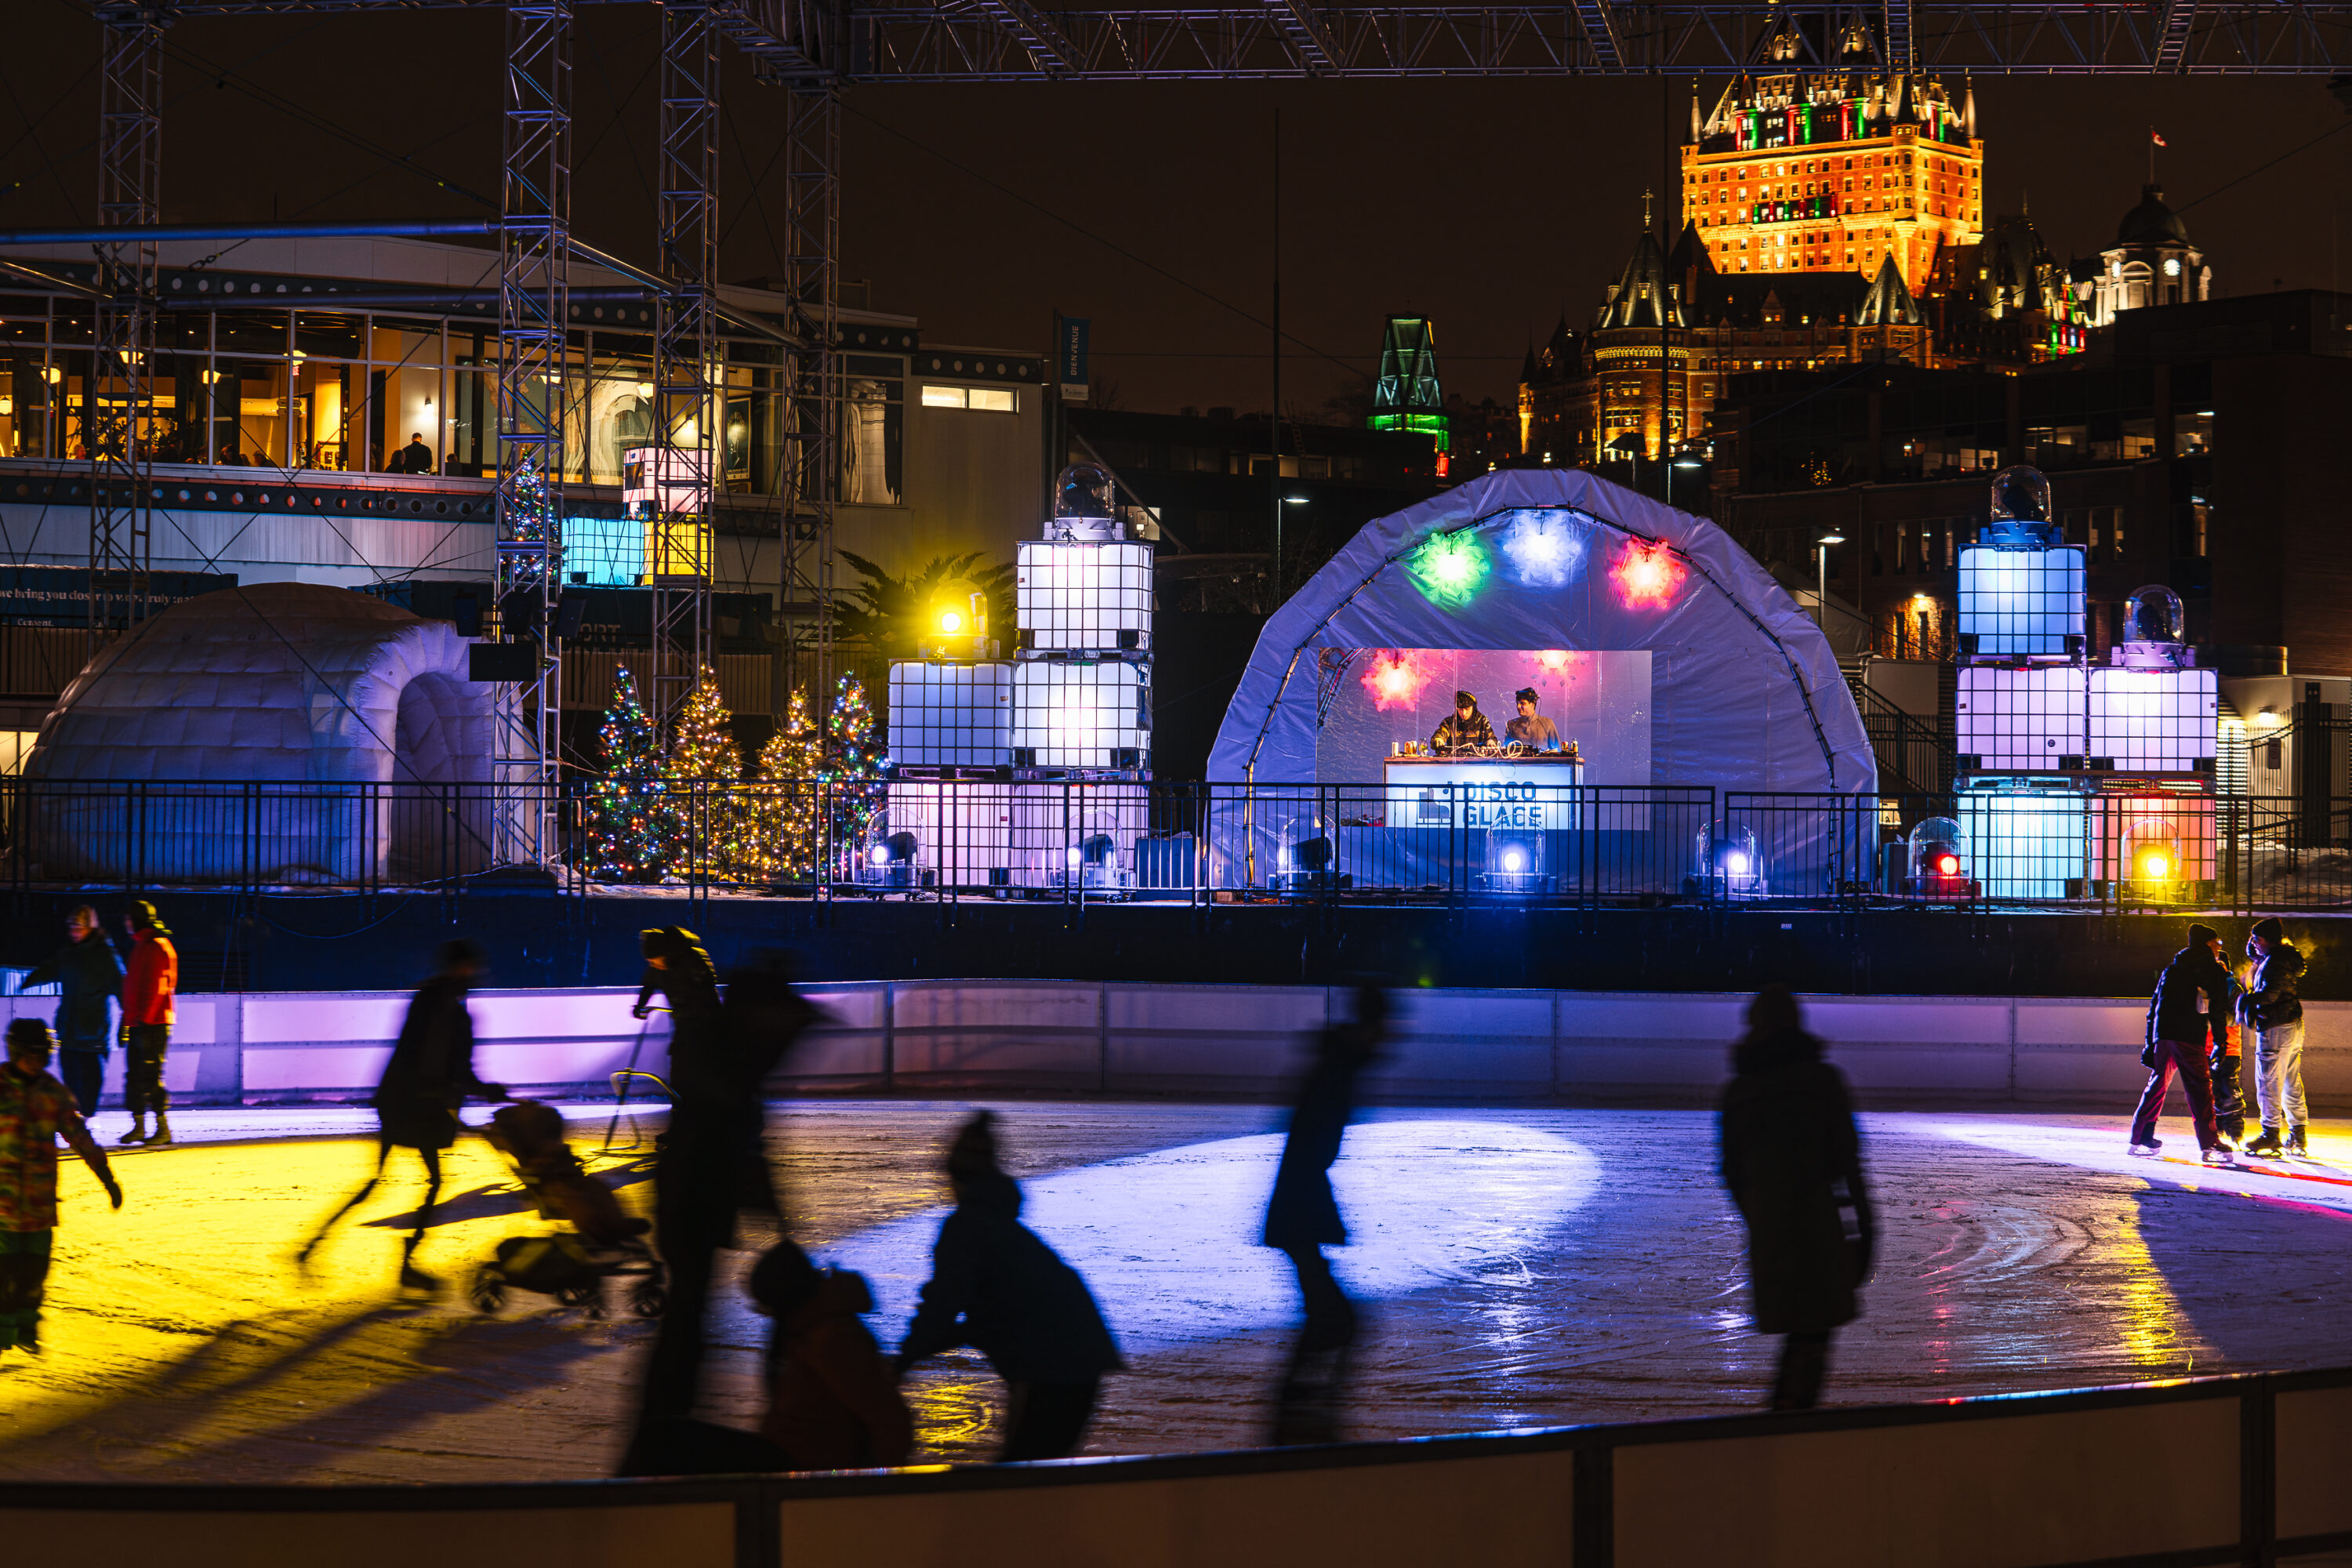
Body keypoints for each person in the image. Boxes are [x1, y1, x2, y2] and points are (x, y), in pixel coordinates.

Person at [620, 946, 819, 1475]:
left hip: (695, 1198)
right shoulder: (723, 1061)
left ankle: (663, 1430)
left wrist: (774, 1216)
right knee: (686, 1316)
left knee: (690, 1315)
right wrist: (771, 1214)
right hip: (692, 1199)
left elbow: (738, 1140)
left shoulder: (723, 1054)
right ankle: (659, 1437)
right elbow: (726, 1130)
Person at [895, 1112, 1123, 1462]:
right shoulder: (1004, 1230)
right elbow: (987, 1318)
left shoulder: (967, 1228)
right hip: (1077, 1361)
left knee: (1021, 1474)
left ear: (955, 1177)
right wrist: (925, 1348)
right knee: (1033, 1471)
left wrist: (903, 1360)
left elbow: (942, 1304)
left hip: (1050, 1368)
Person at [296, 939, 506, 1291]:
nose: (474, 973)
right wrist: (482, 1090)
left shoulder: (431, 999)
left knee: (379, 1181)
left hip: (399, 1100)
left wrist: (471, 1088)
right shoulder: (447, 1008)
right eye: (470, 967)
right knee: (431, 1182)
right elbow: (443, 1065)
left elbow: (425, 1058)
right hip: (417, 1105)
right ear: (461, 968)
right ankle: (406, 1263)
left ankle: (313, 1245)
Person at [1717, 986, 1874, 1410]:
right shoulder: (1823, 1083)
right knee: (1813, 1334)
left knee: (1802, 1335)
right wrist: (1863, 1234)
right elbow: (1848, 1168)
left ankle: (1787, 1419)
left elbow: (1732, 1173)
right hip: (1820, 1232)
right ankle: (1789, 1424)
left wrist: (1761, 1216)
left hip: (1772, 1233)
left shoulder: (1739, 1091)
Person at [1263, 983, 1392, 1446]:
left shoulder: (1337, 1063)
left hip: (1300, 1207)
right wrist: (1313, 1215)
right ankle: (1299, 1413)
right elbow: (1308, 1150)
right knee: (1336, 1319)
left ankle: (1301, 1408)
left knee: (1331, 1316)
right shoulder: (1336, 1068)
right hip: (1299, 1208)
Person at [1, 1018, 123, 1353]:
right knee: (4, 1275)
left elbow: (80, 1137)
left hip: (40, 1205)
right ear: (16, 1052)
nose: (35, 1063)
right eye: (30, 1055)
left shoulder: (53, 1093)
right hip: (3, 1206)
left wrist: (107, 1178)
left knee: (34, 1274)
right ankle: (4, 1334)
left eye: (41, 1056)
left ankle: (26, 1329)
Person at [752, 1239, 913, 1471]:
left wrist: (877, 1482)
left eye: (768, 1307)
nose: (770, 1316)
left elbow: (890, 1420)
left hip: (816, 1471)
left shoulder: (830, 1339)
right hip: (793, 1462)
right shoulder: (803, 1330)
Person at [2129, 923, 2237, 1163]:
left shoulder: (2172, 969)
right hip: (2189, 1037)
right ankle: (2209, 1143)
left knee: (2157, 1085)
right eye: (2217, 943)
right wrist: (2221, 1042)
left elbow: (2154, 1007)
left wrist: (2150, 1042)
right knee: (2200, 1089)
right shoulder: (2213, 970)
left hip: (2164, 1036)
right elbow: (2218, 1011)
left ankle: (2140, 1136)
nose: (2219, 948)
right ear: (2207, 944)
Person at [24, 905, 124, 1120]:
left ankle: (87, 1117)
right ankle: (73, 1116)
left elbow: (121, 987)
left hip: (95, 1031)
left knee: (91, 1080)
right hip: (69, 1028)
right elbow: (50, 970)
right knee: (70, 1077)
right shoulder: (68, 954)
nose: (74, 932)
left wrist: (127, 1022)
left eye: (78, 927)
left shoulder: (105, 955)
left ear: (90, 927)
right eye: (71, 928)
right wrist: (28, 981)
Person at [2238, 917, 2309, 1158]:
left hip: (2276, 1027)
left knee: (2268, 1080)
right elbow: (2259, 958)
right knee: (2290, 1080)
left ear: (2267, 939)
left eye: (2256, 939)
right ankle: (2297, 1133)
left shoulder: (2274, 963)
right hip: (2291, 1024)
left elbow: (2270, 994)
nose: (2254, 943)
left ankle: (2270, 1133)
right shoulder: (2282, 958)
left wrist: (2246, 1000)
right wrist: (2255, 949)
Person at [118, 901, 177, 1147]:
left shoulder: (157, 946)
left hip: (153, 1024)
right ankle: (140, 1126)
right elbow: (133, 989)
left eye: (129, 919)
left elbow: (157, 988)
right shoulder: (142, 946)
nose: (126, 924)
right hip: (140, 1023)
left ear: (139, 919)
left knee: (151, 1075)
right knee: (135, 1075)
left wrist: (143, 1020)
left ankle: (162, 1128)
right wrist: (127, 1021)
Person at [1428, 690, 1495, 753]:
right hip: (1454, 760)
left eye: (1467, 709)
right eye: (1460, 710)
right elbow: (1441, 733)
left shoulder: (1482, 721)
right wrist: (1438, 739)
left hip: (1478, 760)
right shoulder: (1449, 722)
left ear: (1473, 708)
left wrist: (1491, 741)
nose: (1463, 713)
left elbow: (1491, 738)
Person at [1503, 688, 1563, 752]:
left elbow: (1558, 750)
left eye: (1522, 703)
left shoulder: (1547, 723)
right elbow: (1505, 750)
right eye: (1517, 703)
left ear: (1532, 705)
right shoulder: (1511, 724)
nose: (1518, 706)